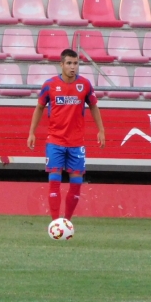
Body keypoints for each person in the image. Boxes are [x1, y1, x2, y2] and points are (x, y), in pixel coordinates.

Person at [27, 48, 105, 223]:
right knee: (54, 182)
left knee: (76, 185)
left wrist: (101, 130)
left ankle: (67, 222)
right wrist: (31, 132)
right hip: (55, 141)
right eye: (69, 63)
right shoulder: (49, 85)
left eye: (76, 63)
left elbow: (93, 106)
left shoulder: (84, 85)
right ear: (61, 65)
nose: (73, 67)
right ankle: (56, 222)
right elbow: (39, 107)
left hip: (77, 143)